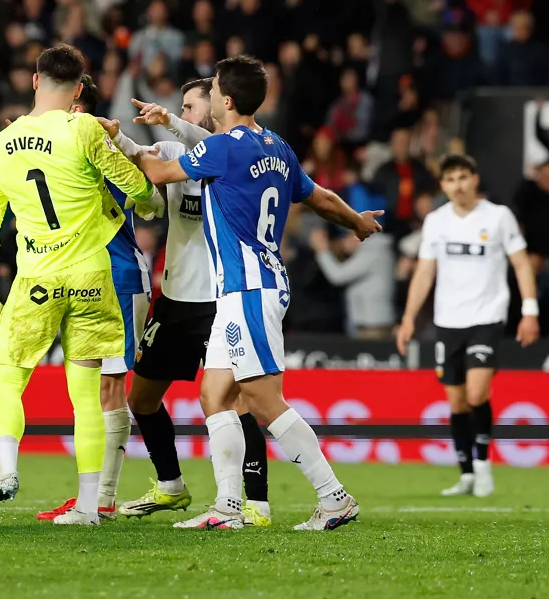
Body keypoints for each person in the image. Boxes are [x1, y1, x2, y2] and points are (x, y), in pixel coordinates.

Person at [138, 56, 381, 531]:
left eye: (211, 88)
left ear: (226, 100)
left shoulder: (225, 148)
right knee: (214, 393)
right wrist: (357, 221)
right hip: (252, 284)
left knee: (264, 400)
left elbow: (160, 172)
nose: (207, 95)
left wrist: (108, 144)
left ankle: (334, 496)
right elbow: (319, 198)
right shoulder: (278, 147)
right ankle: (227, 507)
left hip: (248, 286)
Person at [0, 43, 158, 527]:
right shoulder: (84, 127)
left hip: (36, 281)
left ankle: (5, 469)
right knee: (87, 393)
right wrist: (151, 201)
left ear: (33, 81)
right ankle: (91, 506)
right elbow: (135, 186)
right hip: (93, 279)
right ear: (78, 90)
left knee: (8, 377)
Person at [105, 79, 274, 527]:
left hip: (220, 300)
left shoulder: (235, 153)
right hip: (176, 298)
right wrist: (113, 134)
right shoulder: (174, 151)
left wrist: (174, 122)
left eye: (192, 105)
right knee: (140, 398)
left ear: (217, 107)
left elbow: (209, 142)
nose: (184, 111)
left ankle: (255, 503)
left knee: (235, 403)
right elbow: (140, 157)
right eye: (183, 106)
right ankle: (170, 486)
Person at [36, 75, 161, 522]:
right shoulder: (60, 151)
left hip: (119, 279)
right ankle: (93, 495)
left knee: (109, 389)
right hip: (82, 281)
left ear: (80, 109)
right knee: (89, 392)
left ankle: (101, 500)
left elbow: (151, 203)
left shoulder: (102, 152)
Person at [396, 154, 540, 498]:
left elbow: (521, 264)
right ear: (443, 185)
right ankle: (466, 473)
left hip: (487, 317)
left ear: (474, 179)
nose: (458, 185)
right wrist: (408, 318)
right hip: (448, 321)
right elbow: (425, 271)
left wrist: (530, 311)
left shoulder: (499, 216)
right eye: (451, 179)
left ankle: (484, 465)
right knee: (458, 403)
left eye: (463, 177)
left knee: (478, 393)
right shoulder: (436, 221)